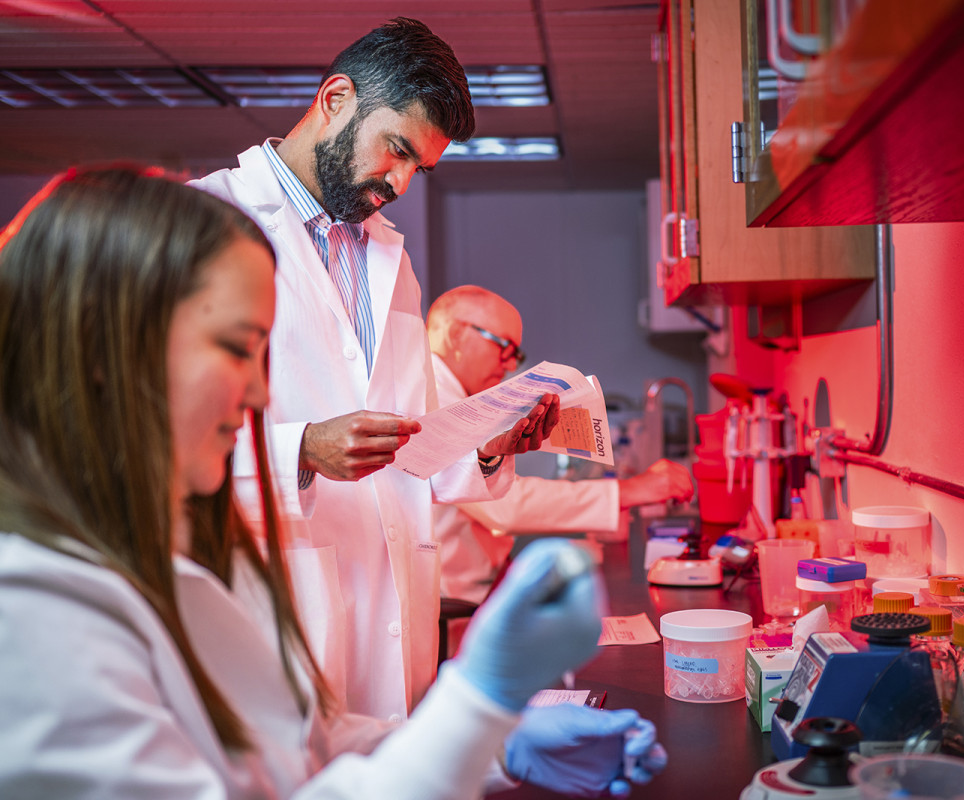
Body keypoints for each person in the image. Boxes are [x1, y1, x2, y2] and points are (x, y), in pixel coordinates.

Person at [0, 165, 667, 799]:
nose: (261, 391)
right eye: (236, 349)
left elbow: (303, 745)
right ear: (101, 350)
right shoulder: (29, 612)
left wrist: (501, 741)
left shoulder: (174, 554)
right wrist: (475, 706)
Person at [189, 17, 555, 719]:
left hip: (398, 612)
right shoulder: (203, 223)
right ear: (334, 98)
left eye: (419, 167)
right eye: (396, 149)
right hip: (272, 603)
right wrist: (302, 451)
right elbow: (138, 447)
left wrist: (484, 444)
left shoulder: (389, 257)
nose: (403, 182)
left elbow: (411, 435)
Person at [427, 285, 695, 614]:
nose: (510, 366)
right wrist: (630, 490)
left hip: (478, 584)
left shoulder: (451, 394)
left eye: (517, 355)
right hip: (455, 601)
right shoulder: (432, 398)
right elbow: (504, 508)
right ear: (456, 334)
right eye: (504, 347)